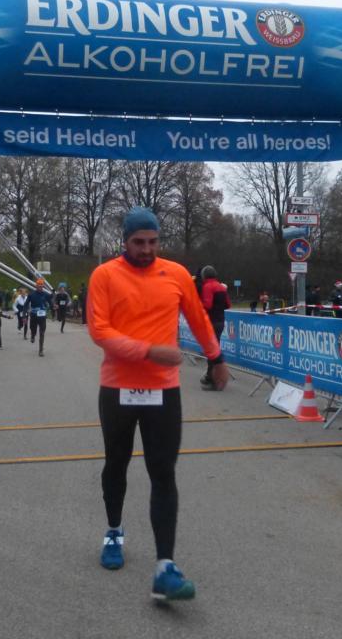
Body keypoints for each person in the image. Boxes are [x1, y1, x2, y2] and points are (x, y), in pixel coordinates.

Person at [88, 207, 228, 602]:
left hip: (163, 391)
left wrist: (216, 358)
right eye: (139, 242)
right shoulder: (105, 275)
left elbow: (198, 319)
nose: (147, 249)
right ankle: (113, 532)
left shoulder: (177, 274)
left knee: (163, 472)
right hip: (118, 388)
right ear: (125, 241)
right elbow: (99, 331)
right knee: (116, 463)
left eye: (152, 242)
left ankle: (165, 566)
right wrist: (149, 351)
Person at [198, 266, 231, 391]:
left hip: (210, 322)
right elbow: (228, 304)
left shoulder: (207, 286)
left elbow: (207, 304)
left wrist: (196, 304)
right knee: (214, 348)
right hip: (220, 321)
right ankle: (209, 376)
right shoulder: (221, 287)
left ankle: (214, 380)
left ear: (204, 276)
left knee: (212, 351)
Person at [27, 278, 53, 356]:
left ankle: (41, 350)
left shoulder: (45, 295)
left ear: (43, 286)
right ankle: (32, 335)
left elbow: (50, 303)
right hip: (34, 315)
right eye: (39, 285)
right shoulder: (31, 295)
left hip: (42, 316)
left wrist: (53, 307)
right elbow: (25, 305)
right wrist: (24, 315)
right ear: (36, 286)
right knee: (33, 329)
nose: (40, 287)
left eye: (41, 285)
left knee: (42, 333)